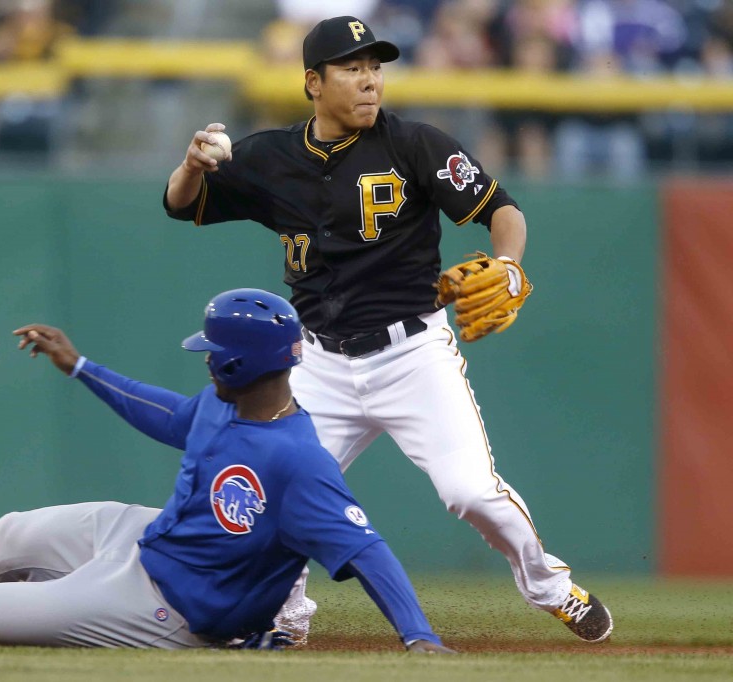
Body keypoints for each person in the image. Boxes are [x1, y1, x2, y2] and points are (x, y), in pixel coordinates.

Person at [162, 16, 613, 644]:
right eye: (353, 68)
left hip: (413, 355)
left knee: (470, 492)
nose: (370, 80)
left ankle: (553, 588)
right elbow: (183, 203)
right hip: (316, 365)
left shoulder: (416, 145)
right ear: (313, 83)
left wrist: (508, 267)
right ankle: (286, 621)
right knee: (278, 495)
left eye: (376, 67)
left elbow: (502, 209)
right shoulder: (270, 156)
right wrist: (190, 163)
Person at [0, 288, 453, 652]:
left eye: (214, 354)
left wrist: (418, 637)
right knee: (13, 533)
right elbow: (171, 417)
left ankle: (50, 598)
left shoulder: (297, 460)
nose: (207, 362)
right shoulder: (223, 401)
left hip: (171, 608)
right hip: (147, 539)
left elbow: (368, 551)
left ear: (239, 364)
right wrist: (80, 367)